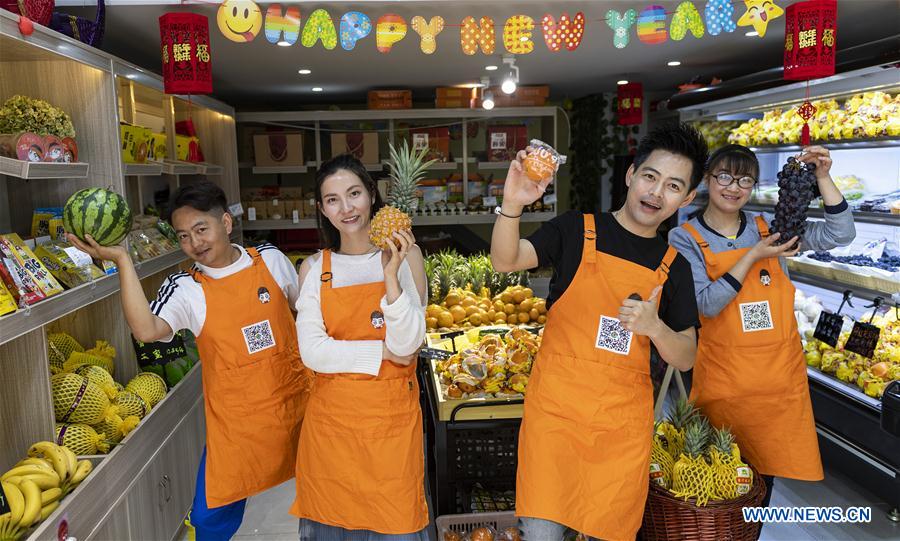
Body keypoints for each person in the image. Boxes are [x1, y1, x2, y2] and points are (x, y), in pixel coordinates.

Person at [491, 123, 708, 540]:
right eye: (650, 176)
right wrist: (512, 204)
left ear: (688, 197)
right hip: (555, 423)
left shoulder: (674, 266)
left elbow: (686, 356)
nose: (656, 192)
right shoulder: (576, 229)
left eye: (673, 186)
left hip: (619, 433)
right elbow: (506, 260)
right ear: (631, 175)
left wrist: (655, 327)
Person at [68, 181, 311, 541]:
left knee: (322, 503)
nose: (194, 243)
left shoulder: (271, 260)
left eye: (201, 229)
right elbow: (146, 330)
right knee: (208, 519)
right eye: (184, 236)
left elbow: (305, 315)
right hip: (237, 428)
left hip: (297, 411)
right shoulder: (185, 287)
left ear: (226, 223)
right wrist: (122, 259)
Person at [668, 144, 855, 509]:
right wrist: (755, 255)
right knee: (720, 488)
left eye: (745, 180)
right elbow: (706, 302)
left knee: (760, 489)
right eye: (724, 176)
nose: (733, 187)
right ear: (707, 179)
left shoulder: (770, 227)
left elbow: (840, 235)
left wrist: (822, 176)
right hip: (725, 384)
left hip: (776, 385)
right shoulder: (686, 237)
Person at [291, 154, 428, 540]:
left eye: (354, 193)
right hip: (332, 433)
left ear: (371, 194)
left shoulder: (408, 257)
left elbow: (410, 342)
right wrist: (382, 353)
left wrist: (389, 273)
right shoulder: (315, 267)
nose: (346, 208)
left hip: (392, 429)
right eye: (333, 199)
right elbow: (313, 352)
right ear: (322, 209)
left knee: (396, 523)